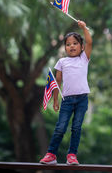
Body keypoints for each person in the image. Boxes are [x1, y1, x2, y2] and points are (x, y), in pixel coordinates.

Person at [40, 20, 92, 165]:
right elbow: (57, 82)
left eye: (75, 43)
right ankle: (51, 155)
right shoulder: (62, 62)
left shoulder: (84, 59)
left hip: (82, 100)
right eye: (68, 44)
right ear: (65, 48)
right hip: (67, 100)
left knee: (76, 127)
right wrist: (55, 100)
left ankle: (72, 156)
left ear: (81, 47)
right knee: (61, 127)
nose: (71, 46)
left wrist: (83, 28)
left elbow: (89, 42)